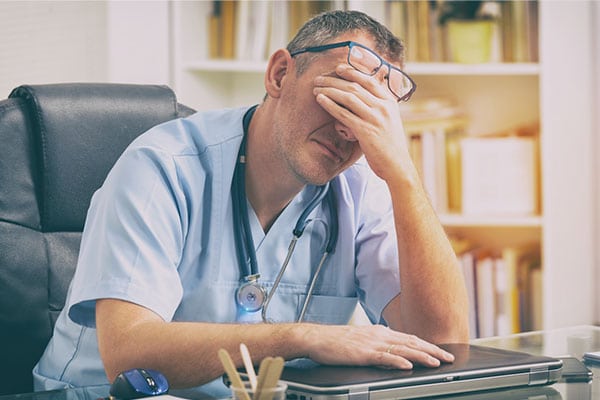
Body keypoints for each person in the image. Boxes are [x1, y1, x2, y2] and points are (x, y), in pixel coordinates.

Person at [33, 9, 469, 397]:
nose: (349, 132)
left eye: (372, 117)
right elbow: (129, 355)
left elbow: (443, 342)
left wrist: (404, 176)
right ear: (280, 74)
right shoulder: (162, 166)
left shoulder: (360, 187)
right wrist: (303, 337)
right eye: (342, 98)